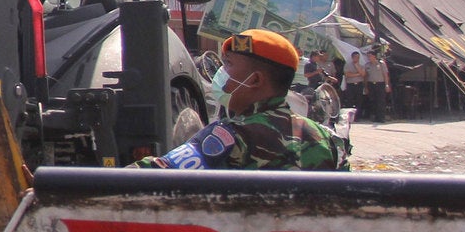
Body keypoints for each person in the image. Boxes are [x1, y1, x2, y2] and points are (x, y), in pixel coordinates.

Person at [133, 29, 343, 171]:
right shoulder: (327, 139)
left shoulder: (232, 136)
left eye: (229, 65)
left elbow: (157, 173)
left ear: (255, 80)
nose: (220, 74)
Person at [365, 44, 393, 123]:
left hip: (380, 84)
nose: (369, 58)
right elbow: (366, 76)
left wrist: (387, 85)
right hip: (371, 84)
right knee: (372, 101)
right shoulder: (367, 65)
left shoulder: (381, 64)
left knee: (381, 101)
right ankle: (374, 116)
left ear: (374, 56)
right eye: (368, 56)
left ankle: (381, 117)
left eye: (370, 56)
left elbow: (385, 75)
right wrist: (366, 87)